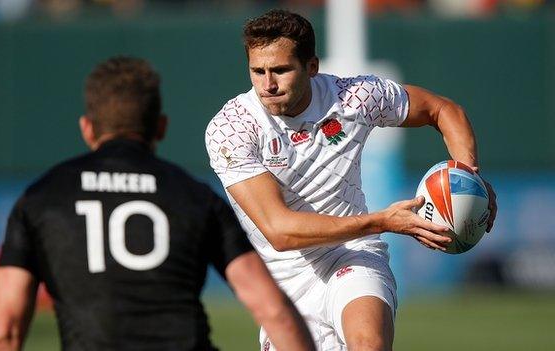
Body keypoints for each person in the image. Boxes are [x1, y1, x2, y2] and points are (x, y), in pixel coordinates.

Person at [205, 9, 497, 351]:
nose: (268, 85)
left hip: (352, 254)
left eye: (281, 70)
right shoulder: (232, 128)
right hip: (283, 280)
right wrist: (383, 221)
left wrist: (467, 174)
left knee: (367, 344)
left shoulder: (353, 97)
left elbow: (442, 110)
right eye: (258, 71)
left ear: (311, 67)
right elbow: (280, 232)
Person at [0, 56, 315, 351]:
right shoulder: (195, 197)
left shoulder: (41, 199)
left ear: (86, 128)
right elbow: (273, 312)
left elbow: (2, 330)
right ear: (161, 127)